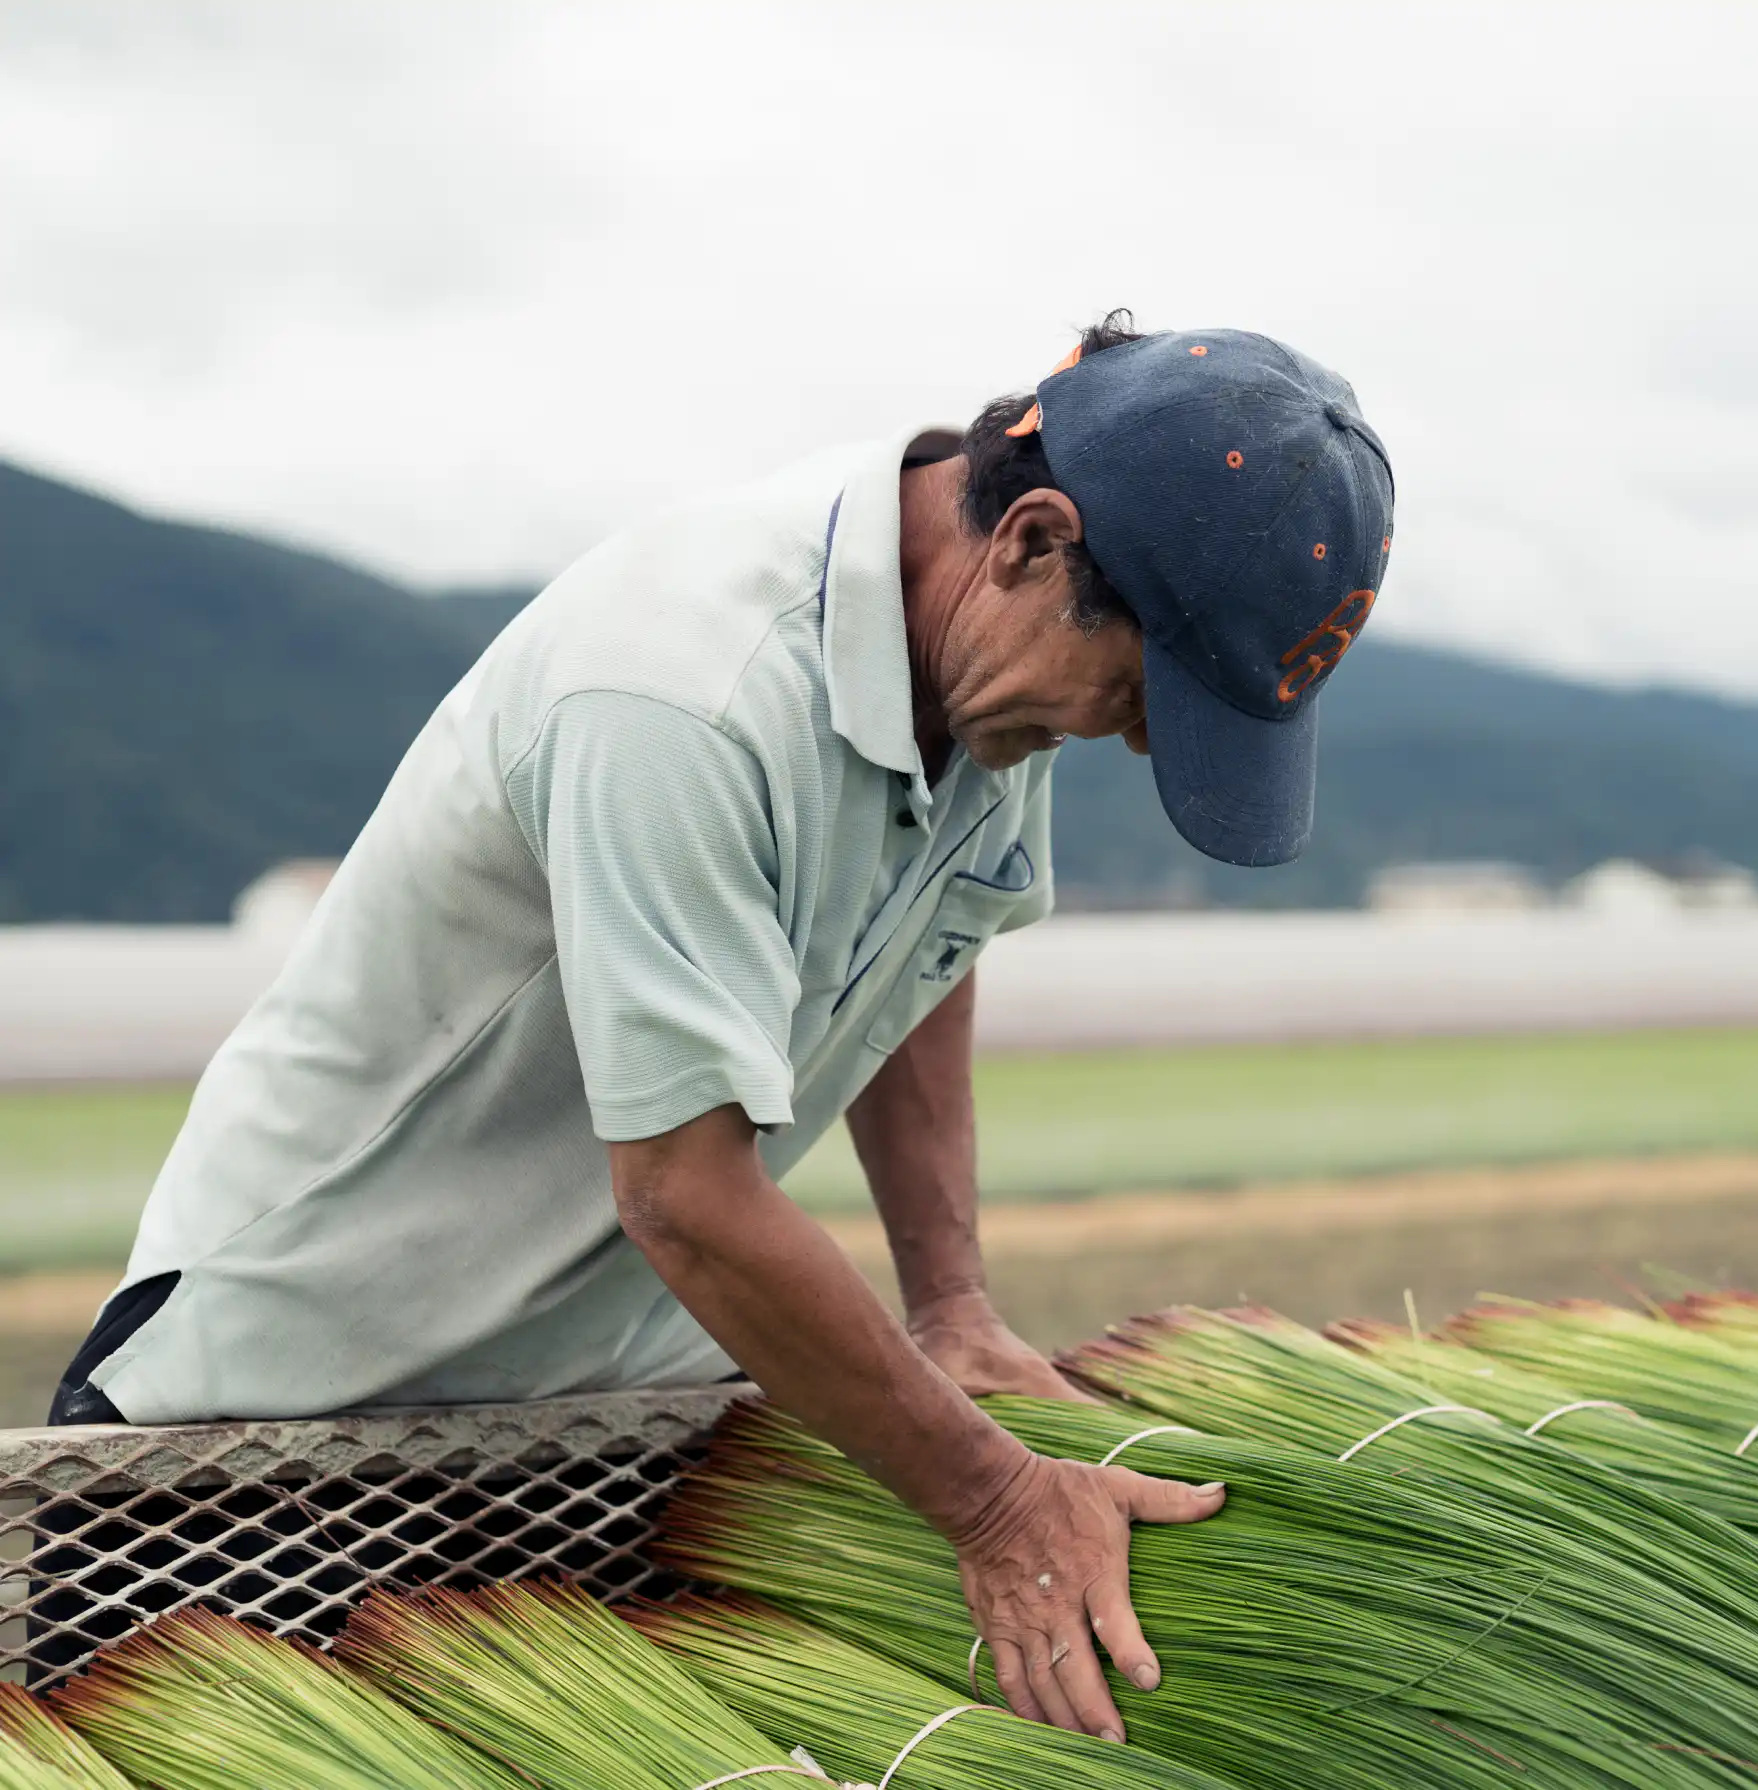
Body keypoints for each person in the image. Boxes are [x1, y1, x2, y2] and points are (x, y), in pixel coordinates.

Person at [47, 313, 1394, 1742]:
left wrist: (952, 1302)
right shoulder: (685, 693)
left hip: (591, 1410)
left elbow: (929, 943)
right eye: (1140, 691)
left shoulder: (989, 682)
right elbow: (684, 1196)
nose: (1130, 739)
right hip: (289, 1411)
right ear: (1031, 541)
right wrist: (999, 1500)